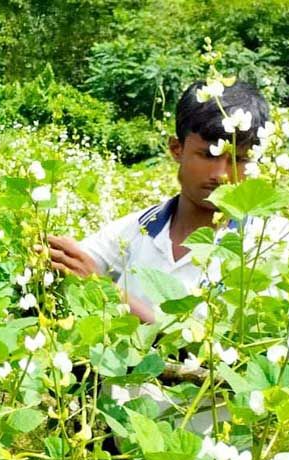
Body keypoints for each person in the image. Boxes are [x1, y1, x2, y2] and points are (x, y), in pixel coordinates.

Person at [44, 80, 270, 323]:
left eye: (239, 159)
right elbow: (78, 263)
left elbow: (209, 348)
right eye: (207, 155)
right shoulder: (137, 229)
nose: (222, 174)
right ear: (176, 149)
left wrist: (109, 293)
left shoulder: (267, 243)